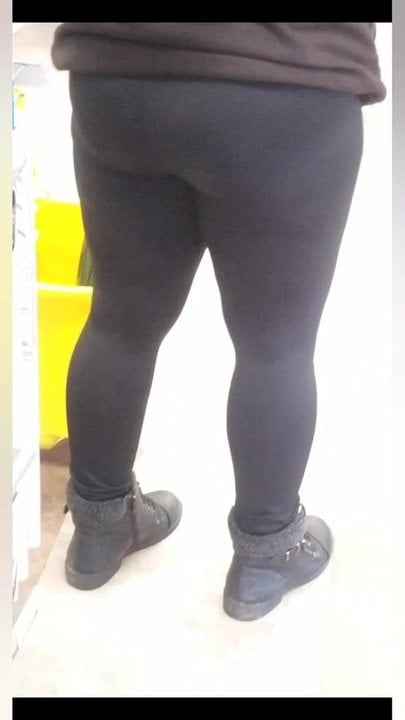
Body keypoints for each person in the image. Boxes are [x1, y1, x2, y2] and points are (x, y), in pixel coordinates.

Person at [51, 23, 385, 621]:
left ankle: (99, 528)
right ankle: (266, 555)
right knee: (275, 345)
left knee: (120, 320)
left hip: (121, 75)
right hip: (286, 81)